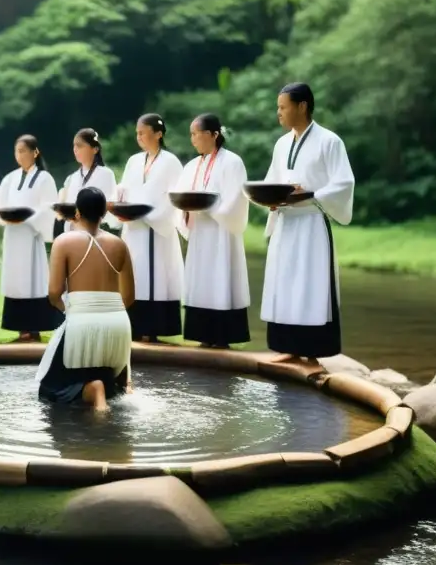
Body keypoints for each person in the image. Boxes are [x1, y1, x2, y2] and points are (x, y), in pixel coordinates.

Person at [261, 82, 355, 361]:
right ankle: (287, 347)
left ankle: (312, 350)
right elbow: (271, 180)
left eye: (282, 107)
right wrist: (270, 198)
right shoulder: (281, 144)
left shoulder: (330, 141)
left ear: (302, 106)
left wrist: (311, 194)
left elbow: (344, 183)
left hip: (312, 222)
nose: (278, 113)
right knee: (285, 283)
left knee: (309, 286)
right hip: (286, 223)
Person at [36, 187, 135, 412]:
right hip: (119, 325)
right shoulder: (120, 245)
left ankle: (94, 390)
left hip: (81, 324)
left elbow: (54, 293)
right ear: (103, 213)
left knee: (50, 389)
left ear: (77, 213)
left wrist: (71, 310)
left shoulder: (64, 242)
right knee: (114, 390)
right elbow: (128, 297)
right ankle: (120, 383)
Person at [176, 113, 250, 348]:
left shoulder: (232, 162)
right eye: (192, 134)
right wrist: (186, 209)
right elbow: (180, 195)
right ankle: (202, 335)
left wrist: (211, 208)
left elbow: (235, 199)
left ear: (214, 134)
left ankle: (222, 337)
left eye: (196, 134)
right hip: (200, 232)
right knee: (201, 278)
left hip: (221, 235)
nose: (193, 139)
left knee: (221, 278)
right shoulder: (192, 166)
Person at [117, 113, 184, 342]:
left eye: (143, 133)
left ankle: (154, 328)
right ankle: (134, 326)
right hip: (134, 228)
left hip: (157, 228)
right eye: (137, 133)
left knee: (155, 275)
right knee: (134, 274)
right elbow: (124, 190)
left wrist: (152, 216)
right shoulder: (133, 161)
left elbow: (174, 196)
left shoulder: (171, 162)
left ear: (158, 134)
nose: (139, 137)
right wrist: (122, 206)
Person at [0, 134, 62, 342]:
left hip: (31, 235)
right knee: (16, 280)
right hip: (14, 235)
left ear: (35, 153)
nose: (20, 155)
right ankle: (19, 329)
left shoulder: (44, 178)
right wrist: (7, 217)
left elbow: (49, 208)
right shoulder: (10, 178)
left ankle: (34, 329)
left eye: (23, 150)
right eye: (17, 151)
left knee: (33, 280)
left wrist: (28, 218)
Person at [57, 128, 119, 236]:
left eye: (80, 146)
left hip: (97, 233)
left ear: (95, 149)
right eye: (74, 146)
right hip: (73, 234)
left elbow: (109, 207)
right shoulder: (71, 178)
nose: (75, 149)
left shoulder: (106, 174)